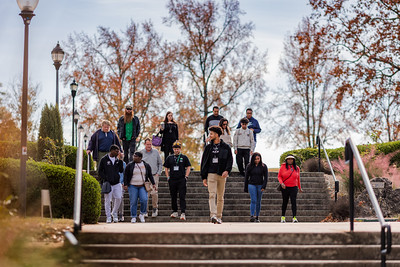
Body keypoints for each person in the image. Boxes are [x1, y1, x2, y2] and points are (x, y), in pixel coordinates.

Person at [200, 126, 233, 224]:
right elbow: (204, 162)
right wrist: (203, 176)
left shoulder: (226, 147)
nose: (210, 135)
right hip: (211, 174)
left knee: (220, 197)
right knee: (212, 195)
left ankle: (219, 216)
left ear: (217, 135)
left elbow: (230, 160)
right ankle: (213, 215)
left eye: (211, 134)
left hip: (222, 175)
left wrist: (227, 170)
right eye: (209, 134)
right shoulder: (208, 147)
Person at [124, 151, 156, 223]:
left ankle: (142, 214)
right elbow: (125, 175)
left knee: (144, 200)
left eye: (136, 156)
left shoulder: (146, 165)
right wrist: (125, 184)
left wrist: (153, 183)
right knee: (133, 201)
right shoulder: (130, 165)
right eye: (134, 156)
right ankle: (133, 216)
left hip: (142, 186)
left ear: (140, 158)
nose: (134, 157)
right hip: (132, 186)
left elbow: (150, 175)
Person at [163, 141, 191, 221]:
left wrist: (186, 176)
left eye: (178, 149)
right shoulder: (169, 158)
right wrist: (168, 177)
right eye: (175, 149)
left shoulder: (184, 157)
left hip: (181, 179)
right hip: (172, 179)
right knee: (173, 196)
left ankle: (183, 212)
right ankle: (175, 211)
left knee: (182, 196)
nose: (176, 150)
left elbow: (188, 166)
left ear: (180, 149)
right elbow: (166, 167)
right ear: (173, 149)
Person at [98, 144, 124, 223]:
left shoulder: (117, 160)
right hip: (108, 183)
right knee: (107, 200)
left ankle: (114, 212)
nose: (118, 153)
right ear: (111, 151)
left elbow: (121, 170)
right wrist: (105, 178)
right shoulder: (104, 159)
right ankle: (108, 216)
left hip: (117, 183)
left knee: (119, 198)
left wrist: (120, 160)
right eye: (116, 151)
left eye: (118, 151)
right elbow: (100, 171)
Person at [140, 138, 163, 218]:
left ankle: (154, 208)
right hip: (145, 176)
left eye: (150, 144)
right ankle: (145, 211)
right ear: (145, 144)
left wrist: (158, 173)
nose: (149, 146)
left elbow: (160, 163)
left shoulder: (156, 152)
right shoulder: (141, 153)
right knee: (146, 194)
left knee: (154, 193)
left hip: (154, 175)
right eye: (147, 144)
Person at [244, 152, 268, 222]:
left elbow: (266, 177)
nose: (257, 160)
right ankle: (252, 216)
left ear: (260, 159)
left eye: (258, 159)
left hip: (260, 185)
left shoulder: (264, 166)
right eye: (255, 159)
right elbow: (246, 177)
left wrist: (264, 186)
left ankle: (257, 216)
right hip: (251, 184)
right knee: (253, 200)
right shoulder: (249, 166)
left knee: (258, 201)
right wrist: (245, 187)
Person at [278, 154, 302, 223]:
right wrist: (281, 183)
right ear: (286, 160)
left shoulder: (297, 168)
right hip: (285, 187)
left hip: (294, 187)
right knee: (285, 202)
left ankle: (294, 217)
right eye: (288, 159)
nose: (290, 160)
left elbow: (298, 178)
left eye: (291, 159)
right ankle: (283, 217)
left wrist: (300, 187)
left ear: (293, 160)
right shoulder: (282, 167)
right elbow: (279, 176)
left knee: (293, 202)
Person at [113, 152, 126, 222]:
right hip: (113, 183)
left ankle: (121, 214)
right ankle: (114, 214)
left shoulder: (123, 164)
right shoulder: (112, 162)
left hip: (121, 184)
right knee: (114, 199)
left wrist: (124, 183)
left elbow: (125, 174)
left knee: (120, 199)